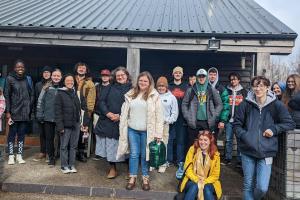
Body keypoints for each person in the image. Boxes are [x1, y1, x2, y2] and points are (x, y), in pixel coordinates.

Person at [233, 76, 295, 200]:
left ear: (267, 88)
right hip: (247, 150)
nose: (258, 88)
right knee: (248, 185)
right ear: (252, 87)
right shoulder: (245, 104)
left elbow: (289, 123)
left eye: (261, 86)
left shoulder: (276, 105)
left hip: (267, 151)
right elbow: (236, 124)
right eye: (255, 85)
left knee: (262, 187)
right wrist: (245, 136)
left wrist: (274, 129)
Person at [117, 71, 164, 191]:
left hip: (147, 131)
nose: (143, 83)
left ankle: (145, 178)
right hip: (132, 130)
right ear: (137, 81)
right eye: (141, 80)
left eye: (145, 81)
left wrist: (158, 133)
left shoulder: (154, 95)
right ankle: (132, 177)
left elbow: (159, 116)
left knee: (145, 155)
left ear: (149, 83)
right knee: (133, 154)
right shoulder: (131, 94)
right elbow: (125, 112)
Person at [94, 67, 131, 178]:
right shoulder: (109, 87)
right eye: (118, 75)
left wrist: (121, 116)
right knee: (110, 146)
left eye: (122, 75)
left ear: (127, 75)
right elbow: (101, 101)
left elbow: (134, 105)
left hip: (125, 121)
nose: (120, 77)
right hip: (109, 121)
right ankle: (112, 168)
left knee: (128, 146)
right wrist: (108, 113)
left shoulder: (133, 89)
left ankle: (130, 169)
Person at [55, 74, 89, 174]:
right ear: (64, 82)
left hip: (76, 124)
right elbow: (57, 111)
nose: (70, 82)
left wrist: (82, 122)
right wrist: (60, 126)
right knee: (64, 146)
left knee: (73, 146)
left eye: (71, 81)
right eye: (67, 81)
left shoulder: (75, 93)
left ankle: (71, 165)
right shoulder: (60, 93)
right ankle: (64, 166)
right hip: (65, 125)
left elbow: (81, 109)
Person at [182, 68, 223, 148]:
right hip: (194, 121)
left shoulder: (211, 90)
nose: (201, 78)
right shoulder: (191, 90)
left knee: (208, 144)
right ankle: (193, 160)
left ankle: (207, 160)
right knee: (192, 144)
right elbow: (184, 104)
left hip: (207, 122)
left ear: (206, 77)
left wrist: (214, 115)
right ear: (197, 77)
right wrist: (187, 116)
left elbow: (219, 104)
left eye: (203, 76)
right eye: (199, 76)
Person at [4, 60, 34, 165]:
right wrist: (8, 112)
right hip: (14, 112)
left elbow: (32, 94)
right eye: (18, 67)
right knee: (12, 135)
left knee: (21, 135)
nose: (20, 68)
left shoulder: (27, 79)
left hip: (25, 113)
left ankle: (19, 155)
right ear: (14, 68)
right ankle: (11, 156)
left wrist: (29, 106)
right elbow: (6, 95)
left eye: (22, 67)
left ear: (24, 68)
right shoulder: (9, 78)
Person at [179, 130, 222, 200]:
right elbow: (187, 170)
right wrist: (197, 180)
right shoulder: (193, 149)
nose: (202, 142)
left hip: (209, 181)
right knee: (194, 186)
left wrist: (204, 182)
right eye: (201, 139)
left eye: (205, 140)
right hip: (192, 180)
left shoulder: (215, 154)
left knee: (207, 189)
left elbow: (215, 175)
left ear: (210, 141)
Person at [36, 69, 63, 166]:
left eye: (58, 76)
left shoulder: (63, 88)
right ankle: (51, 157)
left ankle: (58, 154)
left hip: (60, 119)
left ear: (61, 77)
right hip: (48, 117)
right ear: (51, 76)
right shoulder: (46, 88)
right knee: (49, 138)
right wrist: (40, 114)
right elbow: (40, 102)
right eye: (54, 75)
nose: (56, 77)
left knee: (60, 138)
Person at [223, 72, 248, 166]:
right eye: (231, 79)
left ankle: (239, 160)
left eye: (235, 79)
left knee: (239, 140)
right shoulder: (226, 90)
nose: (233, 81)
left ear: (239, 80)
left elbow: (246, 106)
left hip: (239, 121)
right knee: (228, 140)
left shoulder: (244, 92)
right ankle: (228, 158)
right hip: (229, 120)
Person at [168, 66, 189, 176]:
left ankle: (180, 161)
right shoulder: (169, 86)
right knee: (170, 138)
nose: (177, 74)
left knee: (181, 140)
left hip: (182, 117)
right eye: (175, 72)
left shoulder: (186, 86)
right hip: (170, 117)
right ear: (173, 74)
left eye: (179, 72)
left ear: (182, 74)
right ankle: (169, 160)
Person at [156, 76, 178, 172]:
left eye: (163, 86)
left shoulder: (171, 97)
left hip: (164, 124)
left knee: (163, 144)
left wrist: (168, 120)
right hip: (154, 124)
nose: (161, 88)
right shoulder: (154, 96)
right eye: (159, 86)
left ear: (166, 87)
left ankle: (162, 164)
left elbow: (174, 112)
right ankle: (154, 162)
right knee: (153, 143)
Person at [74, 62, 96, 162]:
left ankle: (81, 152)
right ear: (76, 69)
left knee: (82, 131)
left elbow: (91, 100)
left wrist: (89, 113)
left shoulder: (90, 83)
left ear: (86, 70)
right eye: (80, 67)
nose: (81, 69)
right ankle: (71, 151)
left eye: (83, 68)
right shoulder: (71, 79)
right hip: (71, 109)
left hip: (83, 110)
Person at [33, 66, 52, 162]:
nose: (46, 74)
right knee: (42, 133)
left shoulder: (53, 84)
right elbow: (36, 99)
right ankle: (42, 152)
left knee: (49, 134)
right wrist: (36, 112)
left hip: (50, 113)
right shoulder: (38, 85)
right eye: (44, 72)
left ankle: (49, 153)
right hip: (40, 112)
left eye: (48, 72)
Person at [93, 69, 111, 161]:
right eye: (103, 75)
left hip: (108, 114)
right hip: (97, 113)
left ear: (109, 77)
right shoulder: (96, 87)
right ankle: (100, 153)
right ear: (101, 76)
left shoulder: (112, 87)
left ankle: (108, 153)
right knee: (98, 134)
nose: (105, 77)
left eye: (106, 75)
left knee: (107, 134)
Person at [208, 67, 230, 141]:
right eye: (210, 74)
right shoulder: (204, 87)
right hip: (205, 119)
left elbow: (226, 105)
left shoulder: (221, 89)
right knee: (204, 140)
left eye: (214, 74)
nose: (212, 76)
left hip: (216, 120)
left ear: (217, 76)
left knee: (213, 140)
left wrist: (222, 120)